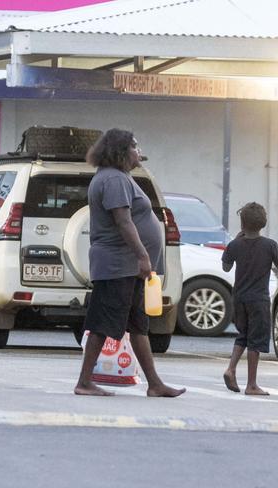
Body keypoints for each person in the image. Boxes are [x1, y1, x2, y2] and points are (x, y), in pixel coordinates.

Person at [74, 128, 185, 397]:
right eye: (134, 146)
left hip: (127, 267)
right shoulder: (113, 180)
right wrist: (143, 255)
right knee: (102, 324)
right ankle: (84, 382)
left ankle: (155, 384)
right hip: (117, 265)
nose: (139, 151)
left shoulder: (121, 177)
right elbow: (123, 221)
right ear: (121, 151)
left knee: (137, 325)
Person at [222, 202, 278, 395]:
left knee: (242, 335)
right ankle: (251, 384)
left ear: (242, 224)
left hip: (239, 298)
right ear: (263, 224)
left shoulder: (235, 244)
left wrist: (234, 242)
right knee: (256, 341)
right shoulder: (269, 245)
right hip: (258, 300)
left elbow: (226, 267)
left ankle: (231, 368)